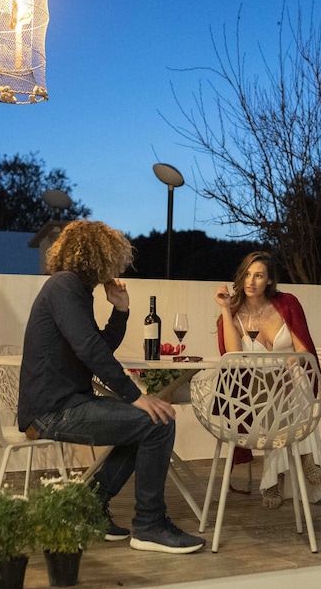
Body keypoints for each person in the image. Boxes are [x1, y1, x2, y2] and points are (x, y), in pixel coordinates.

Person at [17, 220, 205, 554]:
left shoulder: (75, 290)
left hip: (67, 404)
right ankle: (149, 525)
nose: (118, 266)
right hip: (52, 411)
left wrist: (121, 310)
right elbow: (90, 350)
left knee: (149, 423)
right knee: (157, 422)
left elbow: (98, 347)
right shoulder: (64, 285)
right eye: (115, 258)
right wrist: (135, 396)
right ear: (100, 255)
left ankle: (89, 507)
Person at [213, 250, 321, 508]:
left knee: (289, 385)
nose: (251, 281)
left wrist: (292, 363)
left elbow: (304, 350)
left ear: (269, 280)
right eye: (247, 275)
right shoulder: (233, 313)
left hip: (291, 384)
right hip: (252, 392)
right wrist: (224, 309)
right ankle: (307, 459)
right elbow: (233, 355)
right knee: (274, 398)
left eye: (259, 276)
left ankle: (274, 482)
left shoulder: (287, 304)